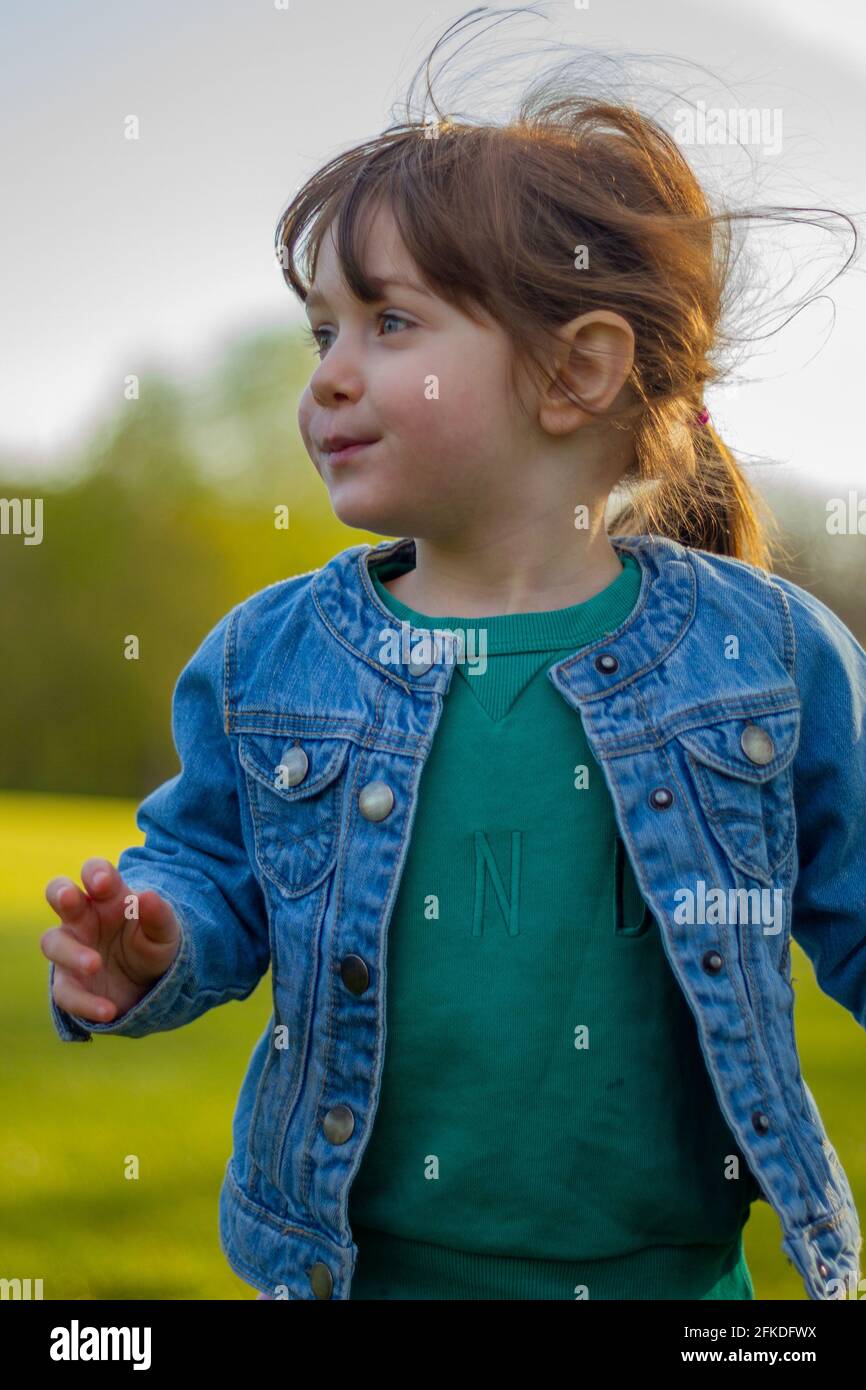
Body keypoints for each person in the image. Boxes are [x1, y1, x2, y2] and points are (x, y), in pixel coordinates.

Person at [42, 13, 864, 1301]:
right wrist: (154, 941)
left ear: (577, 372)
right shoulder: (273, 657)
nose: (328, 379)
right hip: (355, 1276)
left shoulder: (760, 654)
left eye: (389, 324)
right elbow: (209, 872)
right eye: (324, 334)